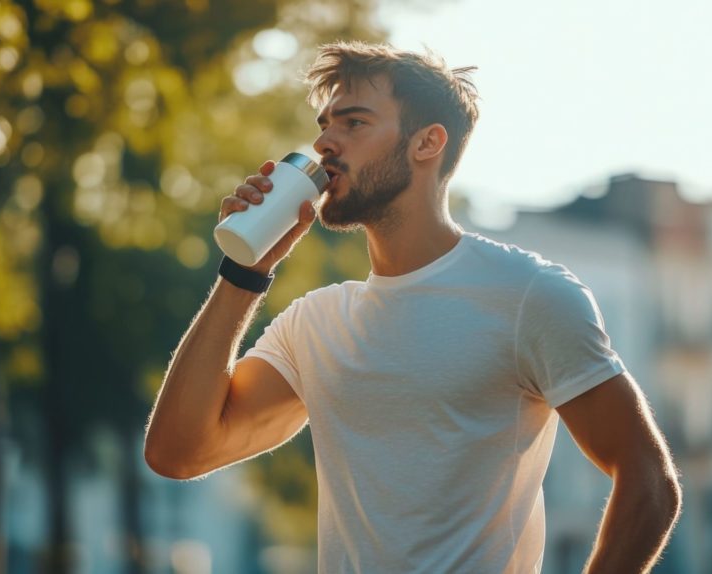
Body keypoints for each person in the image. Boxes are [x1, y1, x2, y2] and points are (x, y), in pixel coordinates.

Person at [144, 41, 682, 573]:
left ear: (427, 143)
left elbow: (650, 484)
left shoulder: (528, 295)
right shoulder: (317, 324)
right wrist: (246, 270)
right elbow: (178, 452)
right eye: (325, 124)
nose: (325, 142)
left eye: (353, 122)